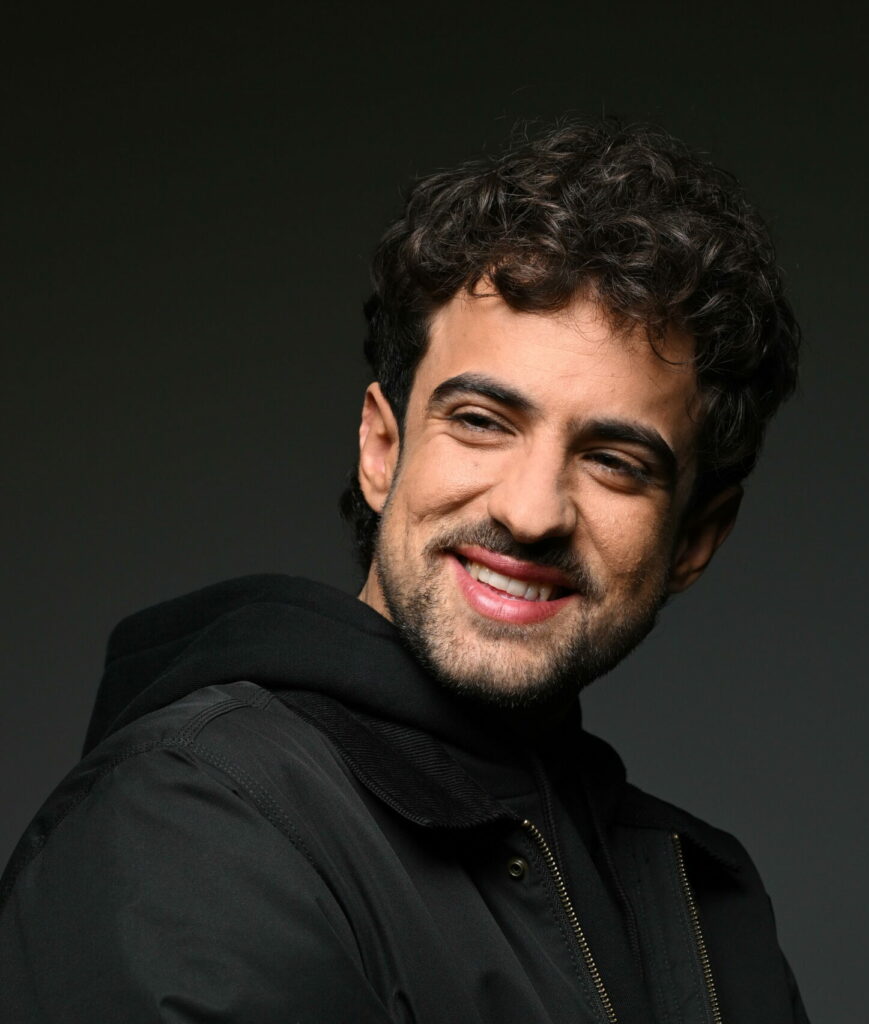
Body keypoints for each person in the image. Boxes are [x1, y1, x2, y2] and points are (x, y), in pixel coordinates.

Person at [0, 120, 808, 1023]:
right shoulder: (193, 820)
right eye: (481, 422)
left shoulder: (709, 907)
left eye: (615, 462)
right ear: (383, 449)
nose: (531, 511)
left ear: (696, 538)